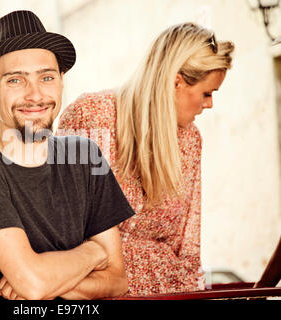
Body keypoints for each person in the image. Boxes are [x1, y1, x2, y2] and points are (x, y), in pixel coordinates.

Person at [0, 10, 134, 300]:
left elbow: (117, 282)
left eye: (46, 77)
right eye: (15, 80)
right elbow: (34, 284)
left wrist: (47, 279)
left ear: (61, 81)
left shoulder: (85, 156)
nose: (35, 95)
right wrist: (94, 253)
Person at [57, 22, 234, 296]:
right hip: (95, 290)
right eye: (207, 93)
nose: (209, 104)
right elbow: (61, 224)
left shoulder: (191, 140)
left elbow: (187, 247)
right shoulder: (90, 115)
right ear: (176, 81)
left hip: (168, 291)